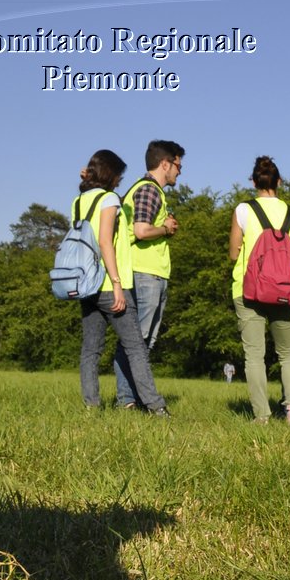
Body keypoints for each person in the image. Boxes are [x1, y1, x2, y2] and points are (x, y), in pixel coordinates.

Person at [72, 149, 169, 416]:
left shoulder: (80, 200)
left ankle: (91, 407)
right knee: (136, 346)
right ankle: (155, 406)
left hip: (86, 284)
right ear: (111, 174)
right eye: (119, 176)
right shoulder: (110, 199)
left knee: (91, 350)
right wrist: (117, 284)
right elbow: (106, 241)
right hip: (109, 283)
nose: (120, 181)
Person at [229, 156, 290, 423]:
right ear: (280, 182)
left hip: (249, 290)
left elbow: (232, 252)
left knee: (254, 356)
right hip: (284, 291)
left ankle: (261, 415)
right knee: (288, 353)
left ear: (253, 181)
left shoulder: (243, 210)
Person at [116, 139, 184, 410]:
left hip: (152, 272)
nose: (180, 171)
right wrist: (166, 230)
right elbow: (142, 230)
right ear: (165, 163)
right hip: (144, 273)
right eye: (178, 165)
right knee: (136, 341)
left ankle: (132, 398)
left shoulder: (152, 191)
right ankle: (129, 400)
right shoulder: (149, 190)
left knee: (144, 340)